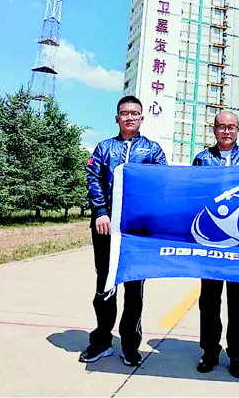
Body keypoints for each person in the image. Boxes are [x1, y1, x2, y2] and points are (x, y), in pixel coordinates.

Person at [79, 96, 167, 365]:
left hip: (137, 230)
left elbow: (160, 184)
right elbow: (93, 179)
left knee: (134, 288)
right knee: (105, 284)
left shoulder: (152, 150)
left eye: (135, 113)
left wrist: (146, 218)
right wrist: (100, 212)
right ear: (117, 118)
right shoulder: (104, 148)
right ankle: (101, 340)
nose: (130, 117)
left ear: (142, 118)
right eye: (125, 113)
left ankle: (130, 344)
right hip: (106, 227)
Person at [192, 111, 239, 379]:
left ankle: (237, 353)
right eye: (221, 127)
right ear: (214, 130)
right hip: (211, 239)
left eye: (231, 127)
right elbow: (194, 194)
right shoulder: (203, 159)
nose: (226, 132)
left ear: (238, 130)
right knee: (209, 299)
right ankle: (209, 350)